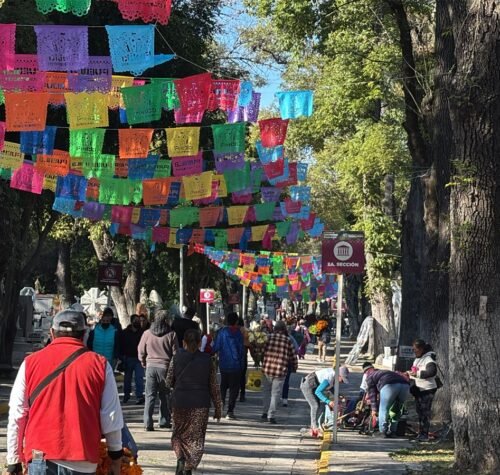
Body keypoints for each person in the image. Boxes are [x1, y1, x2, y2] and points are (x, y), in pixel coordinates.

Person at [6, 310, 123, 475]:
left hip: (40, 456)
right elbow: (111, 416)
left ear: (52, 333)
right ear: (84, 334)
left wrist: (13, 459)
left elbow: (17, 414)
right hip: (82, 459)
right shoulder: (100, 365)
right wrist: (115, 456)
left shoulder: (30, 363)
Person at [167, 329, 222, 475]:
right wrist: (218, 408)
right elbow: (214, 386)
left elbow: (168, 381)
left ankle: (180, 458)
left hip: (180, 402)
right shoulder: (208, 360)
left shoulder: (176, 358)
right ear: (199, 343)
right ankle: (188, 466)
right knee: (196, 439)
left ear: (183, 342)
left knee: (178, 434)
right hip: (200, 404)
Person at [138, 310, 178, 431]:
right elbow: (176, 353)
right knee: (164, 395)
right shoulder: (171, 334)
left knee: (150, 396)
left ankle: (147, 423)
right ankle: (164, 421)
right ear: (166, 320)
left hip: (150, 367)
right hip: (165, 368)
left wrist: (143, 362)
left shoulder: (147, 333)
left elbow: (141, 350)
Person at [261, 320, 298, 424]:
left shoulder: (268, 337)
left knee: (266, 392)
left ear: (275, 329)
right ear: (284, 329)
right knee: (275, 394)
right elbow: (293, 355)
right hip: (280, 370)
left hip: (267, 369)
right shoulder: (288, 340)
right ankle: (271, 415)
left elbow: (262, 351)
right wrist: (295, 367)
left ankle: (264, 412)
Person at [300, 365, 350, 437]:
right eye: (342, 380)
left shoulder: (334, 376)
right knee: (315, 405)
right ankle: (315, 428)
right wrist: (328, 401)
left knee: (320, 404)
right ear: (338, 375)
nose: (342, 382)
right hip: (308, 385)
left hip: (315, 384)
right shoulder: (329, 377)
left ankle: (316, 427)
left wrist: (338, 395)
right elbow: (318, 392)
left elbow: (330, 388)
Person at [212, 312, 245, 419]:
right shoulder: (239, 333)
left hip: (224, 364)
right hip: (236, 365)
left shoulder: (222, 332)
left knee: (223, 386)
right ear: (236, 321)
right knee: (234, 389)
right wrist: (241, 363)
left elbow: (216, 347)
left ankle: (221, 407)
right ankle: (230, 411)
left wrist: (209, 352)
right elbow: (241, 350)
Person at [364, 365, 410, 437]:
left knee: (384, 409)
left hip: (390, 386)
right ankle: (393, 431)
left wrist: (374, 409)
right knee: (396, 409)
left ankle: (382, 431)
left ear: (367, 372)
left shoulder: (370, 376)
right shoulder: (386, 372)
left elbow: (372, 394)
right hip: (405, 386)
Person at [408, 339, 438, 441]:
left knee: (425, 413)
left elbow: (432, 372)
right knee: (419, 412)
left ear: (421, 349)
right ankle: (420, 433)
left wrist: (417, 374)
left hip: (427, 389)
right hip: (419, 389)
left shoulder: (428, 359)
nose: (414, 351)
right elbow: (415, 370)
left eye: (415, 349)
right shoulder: (417, 359)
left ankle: (424, 434)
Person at [119, 314, 145, 404]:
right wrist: (121, 357)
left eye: (139, 320)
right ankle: (126, 395)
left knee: (139, 378)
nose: (138, 322)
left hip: (139, 359)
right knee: (127, 379)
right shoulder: (125, 332)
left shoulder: (142, 333)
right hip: (128, 358)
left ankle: (139, 396)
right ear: (131, 321)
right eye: (136, 320)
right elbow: (121, 345)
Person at [237, 317, 250, 403]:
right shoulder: (246, 331)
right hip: (243, 355)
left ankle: (234, 393)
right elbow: (249, 344)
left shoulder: (231, 330)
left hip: (232, 356)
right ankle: (242, 394)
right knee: (242, 376)